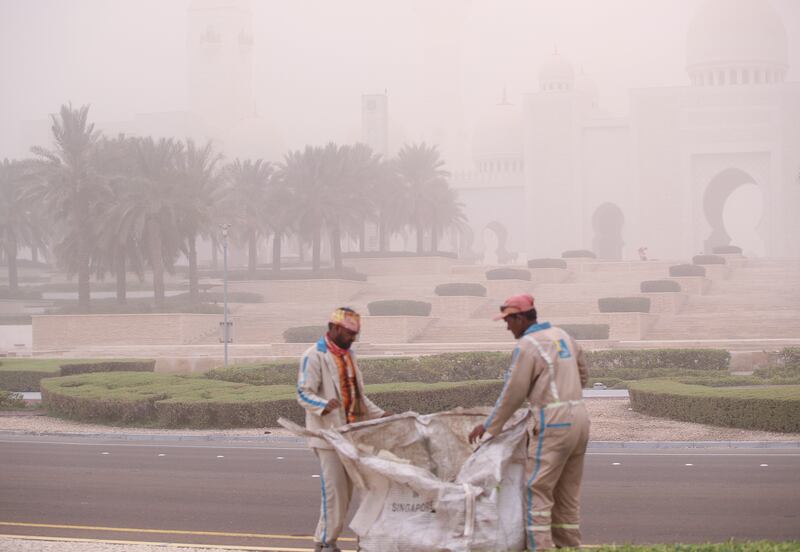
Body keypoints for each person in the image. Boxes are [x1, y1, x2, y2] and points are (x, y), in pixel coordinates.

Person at [468, 294, 590, 551]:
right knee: (567, 494)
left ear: (520, 318)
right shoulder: (563, 335)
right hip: (579, 418)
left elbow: (513, 393)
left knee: (537, 490)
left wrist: (490, 425)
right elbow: (583, 373)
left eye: (508, 321)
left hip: (553, 421)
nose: (507, 326)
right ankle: (570, 546)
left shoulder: (528, 345)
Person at [296, 307, 388, 552]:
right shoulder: (314, 356)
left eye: (355, 334)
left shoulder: (349, 356)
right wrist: (324, 405)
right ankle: (325, 542)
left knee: (363, 490)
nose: (353, 338)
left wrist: (382, 415)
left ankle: (364, 542)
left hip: (352, 435)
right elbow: (303, 393)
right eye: (349, 333)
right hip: (328, 437)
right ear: (335, 328)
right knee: (336, 493)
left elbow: (358, 397)